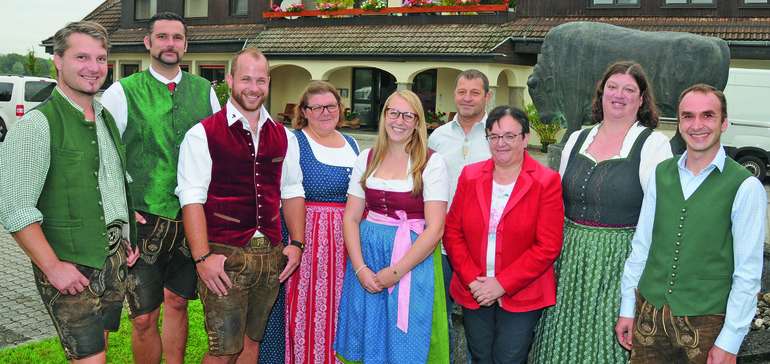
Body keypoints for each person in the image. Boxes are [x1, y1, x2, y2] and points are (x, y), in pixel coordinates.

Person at [0, 21, 140, 363]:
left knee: (101, 349)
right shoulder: (37, 125)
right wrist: (52, 267)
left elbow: (108, 179)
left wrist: (125, 230)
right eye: (82, 57)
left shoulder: (104, 117)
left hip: (112, 261)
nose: (94, 68)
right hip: (71, 266)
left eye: (100, 58)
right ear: (58, 62)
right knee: (90, 359)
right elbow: (14, 207)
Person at [531, 61, 673, 363]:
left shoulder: (653, 145)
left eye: (629, 89)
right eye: (612, 87)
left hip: (619, 262)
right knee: (561, 343)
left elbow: (659, 219)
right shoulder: (577, 138)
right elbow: (555, 202)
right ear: (601, 92)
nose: (618, 95)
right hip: (568, 263)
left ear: (641, 99)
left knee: (606, 345)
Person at [100, 11, 221, 364]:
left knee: (179, 302)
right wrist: (119, 208)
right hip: (144, 219)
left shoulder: (205, 92)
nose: (171, 44)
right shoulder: (124, 91)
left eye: (177, 38)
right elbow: (104, 156)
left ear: (185, 44)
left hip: (190, 218)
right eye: (163, 37)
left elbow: (217, 154)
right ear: (148, 43)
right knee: (143, 316)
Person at [615, 84, 767, 364]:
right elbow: (642, 245)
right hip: (650, 313)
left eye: (707, 115)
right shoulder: (661, 173)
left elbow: (748, 272)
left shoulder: (745, 186)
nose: (697, 125)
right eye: (688, 116)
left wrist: (730, 340)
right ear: (679, 123)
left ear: (724, 123)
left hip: (707, 320)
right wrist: (628, 307)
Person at [176, 47, 305, 363]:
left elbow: (292, 191)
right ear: (230, 80)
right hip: (225, 255)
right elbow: (191, 198)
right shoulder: (202, 134)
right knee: (223, 351)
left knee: (251, 344)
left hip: (269, 257)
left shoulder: (284, 136)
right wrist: (203, 257)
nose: (253, 87)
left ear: (269, 82)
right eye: (246, 78)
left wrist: (297, 243)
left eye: (260, 80)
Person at [334, 90, 450, 363]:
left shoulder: (432, 163)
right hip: (368, 255)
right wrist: (361, 268)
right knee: (368, 329)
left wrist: (396, 272)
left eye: (407, 115)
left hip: (411, 258)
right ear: (384, 116)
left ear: (417, 121)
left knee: (408, 333)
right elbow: (351, 217)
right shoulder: (367, 157)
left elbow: (435, 229)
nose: (399, 121)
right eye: (393, 113)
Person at [443, 106, 564, 363]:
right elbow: (453, 231)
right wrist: (472, 280)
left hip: (522, 292)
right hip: (475, 290)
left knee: (509, 358)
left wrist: (502, 284)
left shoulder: (546, 182)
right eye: (494, 136)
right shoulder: (471, 176)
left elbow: (548, 245)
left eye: (509, 136)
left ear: (525, 138)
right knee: (480, 356)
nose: (501, 143)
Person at [260, 81, 361, 364]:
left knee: (339, 308)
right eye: (316, 108)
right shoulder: (293, 141)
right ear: (304, 112)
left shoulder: (352, 144)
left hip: (344, 244)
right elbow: (280, 191)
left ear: (339, 109)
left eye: (330, 106)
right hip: (307, 239)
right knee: (303, 308)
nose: (325, 112)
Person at [427, 69, 492, 356]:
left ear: (487, 97)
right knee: (439, 317)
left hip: (482, 245)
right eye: (462, 92)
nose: (467, 98)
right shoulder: (437, 138)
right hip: (440, 244)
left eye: (474, 92)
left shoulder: (497, 134)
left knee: (478, 320)